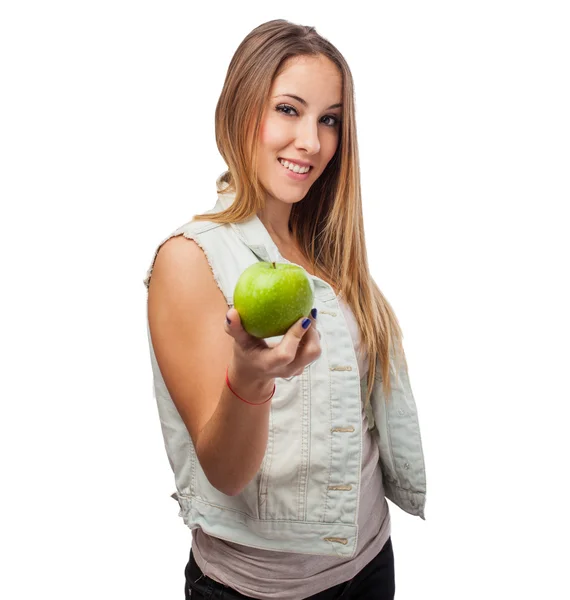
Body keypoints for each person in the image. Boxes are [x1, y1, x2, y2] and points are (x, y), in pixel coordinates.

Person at [144, 19, 426, 600]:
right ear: (241, 111)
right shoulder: (190, 258)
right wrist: (250, 380)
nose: (311, 142)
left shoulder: (327, 250)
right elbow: (224, 470)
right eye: (288, 110)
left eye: (329, 120)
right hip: (261, 591)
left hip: (370, 560)